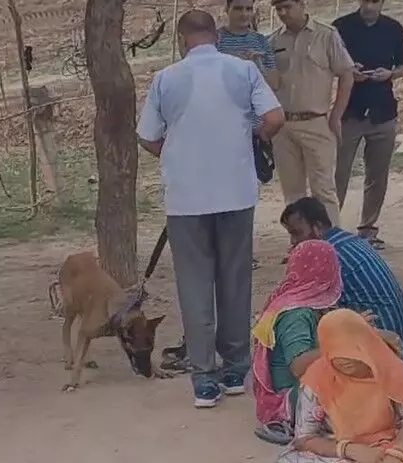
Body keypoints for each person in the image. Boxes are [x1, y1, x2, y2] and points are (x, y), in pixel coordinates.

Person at [137, 9, 285, 408]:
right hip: (235, 192)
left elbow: (147, 136)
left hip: (186, 199)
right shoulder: (242, 71)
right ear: (215, 36)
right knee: (234, 278)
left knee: (194, 283)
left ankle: (204, 378)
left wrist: (176, 157)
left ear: (184, 39)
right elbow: (274, 117)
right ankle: (236, 368)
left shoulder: (165, 79)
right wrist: (254, 137)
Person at [252, 240, 403, 445]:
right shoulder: (295, 313)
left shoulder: (315, 303)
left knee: (383, 348)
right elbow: (299, 366)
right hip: (297, 394)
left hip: (317, 380)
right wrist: (344, 336)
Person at [277, 309, 403, 463]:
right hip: (339, 450)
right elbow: (305, 438)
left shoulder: (390, 367)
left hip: (390, 443)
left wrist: (397, 453)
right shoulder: (316, 377)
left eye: (350, 351)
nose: (342, 360)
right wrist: (347, 450)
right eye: (335, 352)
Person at [280, 197, 403, 360]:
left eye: (297, 233)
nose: (293, 242)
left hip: (384, 346)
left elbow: (299, 305)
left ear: (317, 228)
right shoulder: (349, 240)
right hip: (401, 340)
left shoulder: (326, 255)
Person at [269, 0, 354, 228]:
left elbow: (347, 74)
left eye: (288, 6)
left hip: (316, 122)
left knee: (323, 189)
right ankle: (300, 245)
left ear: (302, 4)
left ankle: (332, 244)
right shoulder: (273, 41)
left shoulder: (326, 35)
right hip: (283, 125)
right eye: (278, 8)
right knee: (292, 192)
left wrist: (336, 115)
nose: (283, 13)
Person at [333, 0, 403, 249]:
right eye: (365, 1)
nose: (369, 6)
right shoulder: (340, 28)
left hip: (383, 111)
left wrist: (389, 74)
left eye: (374, 1)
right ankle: (329, 228)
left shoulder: (394, 28)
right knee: (338, 172)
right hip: (349, 111)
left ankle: (368, 229)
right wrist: (346, 71)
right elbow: (328, 64)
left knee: (377, 175)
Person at [217, 0, 279, 271]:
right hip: (222, 131)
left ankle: (243, 252)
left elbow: (275, 83)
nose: (244, 14)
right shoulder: (216, 42)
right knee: (220, 192)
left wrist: (257, 67)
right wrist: (236, 65)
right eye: (238, 8)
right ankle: (222, 251)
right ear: (227, 10)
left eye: (248, 9)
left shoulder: (261, 42)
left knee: (246, 194)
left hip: (252, 132)